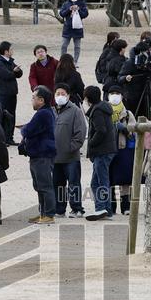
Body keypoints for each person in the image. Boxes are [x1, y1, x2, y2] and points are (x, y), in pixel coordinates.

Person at [20, 86, 57, 223]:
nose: (32, 100)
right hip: (38, 154)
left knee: (45, 185)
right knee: (39, 186)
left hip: (43, 155)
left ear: (41, 100)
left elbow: (28, 130)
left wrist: (24, 129)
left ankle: (49, 214)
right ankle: (43, 213)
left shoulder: (43, 113)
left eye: (33, 97)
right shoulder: (44, 112)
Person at [52, 83, 87, 218]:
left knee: (73, 183)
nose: (60, 96)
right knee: (58, 184)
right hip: (55, 157)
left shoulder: (75, 111)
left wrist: (71, 148)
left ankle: (77, 208)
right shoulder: (52, 111)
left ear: (68, 96)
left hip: (71, 156)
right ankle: (60, 209)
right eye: (57, 94)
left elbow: (80, 132)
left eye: (63, 94)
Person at [84, 85, 117, 221]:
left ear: (87, 98)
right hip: (106, 150)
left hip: (102, 151)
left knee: (100, 181)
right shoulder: (103, 108)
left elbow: (101, 130)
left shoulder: (97, 111)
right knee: (97, 182)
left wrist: (91, 142)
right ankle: (104, 209)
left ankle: (103, 209)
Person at [107, 84, 135, 215]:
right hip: (108, 149)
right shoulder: (104, 111)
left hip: (124, 149)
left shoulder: (128, 114)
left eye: (116, 93)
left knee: (125, 179)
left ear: (122, 96)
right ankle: (111, 207)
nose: (114, 96)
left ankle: (126, 206)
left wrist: (124, 128)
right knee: (110, 177)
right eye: (111, 93)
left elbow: (134, 130)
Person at [0, 41, 24, 145]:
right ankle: (2, 138)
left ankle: (10, 137)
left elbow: (19, 74)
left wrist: (17, 71)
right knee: (3, 115)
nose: (12, 51)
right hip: (3, 93)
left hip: (12, 93)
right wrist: (14, 72)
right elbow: (6, 76)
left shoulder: (10, 61)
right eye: (11, 49)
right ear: (6, 51)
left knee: (12, 115)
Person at [120, 33, 151, 118]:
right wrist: (126, 78)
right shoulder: (130, 63)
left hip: (146, 94)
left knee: (145, 118)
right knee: (133, 117)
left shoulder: (149, 62)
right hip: (133, 96)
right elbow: (120, 78)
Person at [59, 0, 89, 65]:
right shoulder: (66, 3)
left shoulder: (82, 3)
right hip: (67, 27)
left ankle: (75, 62)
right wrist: (69, 9)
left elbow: (85, 14)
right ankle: (63, 61)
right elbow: (62, 14)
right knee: (64, 45)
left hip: (78, 28)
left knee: (77, 47)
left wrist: (78, 10)